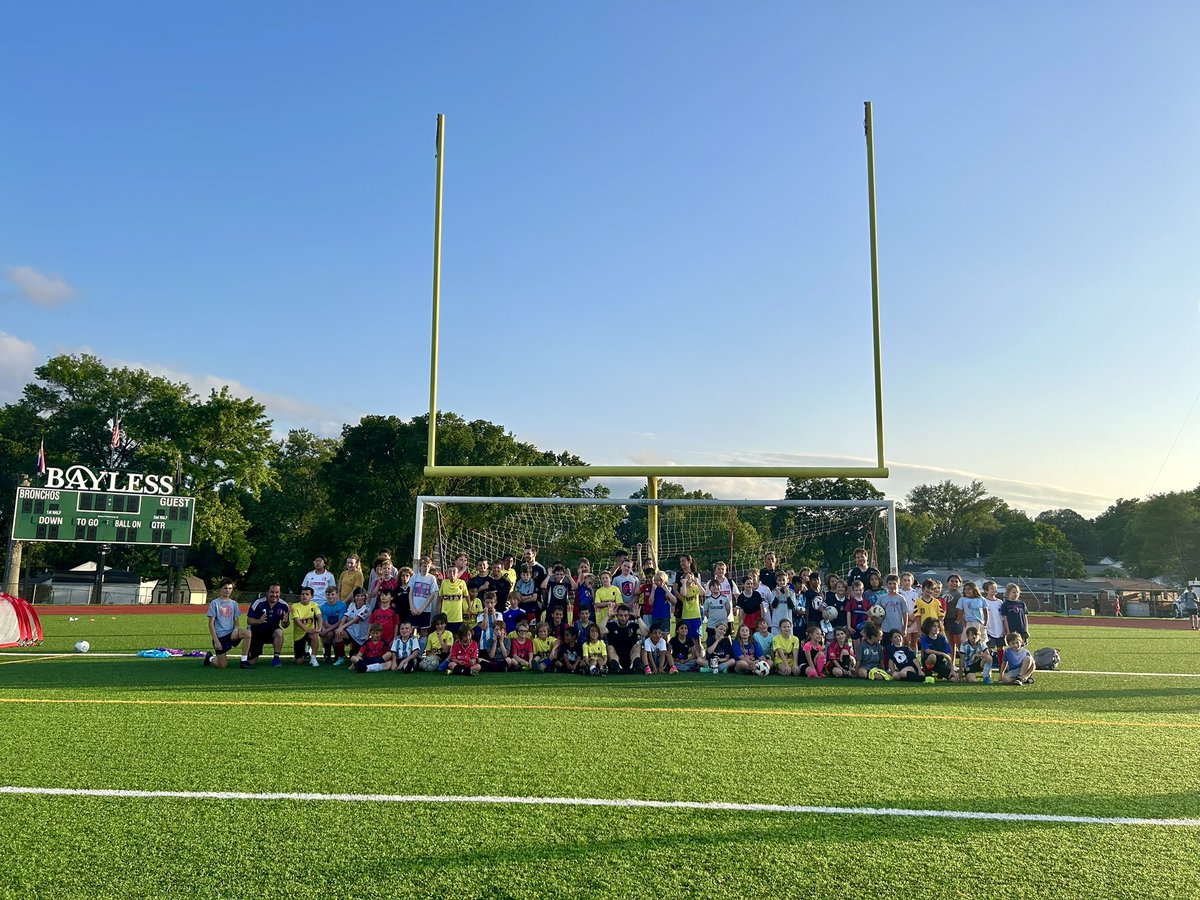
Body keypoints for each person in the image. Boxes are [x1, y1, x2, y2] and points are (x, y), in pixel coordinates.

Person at [204, 578, 249, 668]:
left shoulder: (234, 603)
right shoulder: (215, 603)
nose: (227, 590)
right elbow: (211, 624)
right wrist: (216, 641)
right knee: (222, 666)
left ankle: (244, 661)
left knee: (248, 633)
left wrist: (236, 630)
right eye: (225, 588)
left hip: (232, 634)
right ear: (220, 589)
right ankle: (210, 658)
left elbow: (236, 621)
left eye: (230, 588)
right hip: (221, 637)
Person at [244, 583, 289, 668]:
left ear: (280, 593)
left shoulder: (284, 605)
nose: (274, 595)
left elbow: (285, 625)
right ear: (267, 592)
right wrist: (259, 621)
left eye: (277, 592)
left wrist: (285, 622)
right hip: (257, 633)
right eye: (272, 592)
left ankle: (276, 658)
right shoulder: (258, 603)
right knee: (251, 661)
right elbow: (249, 620)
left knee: (279, 632)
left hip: (272, 632)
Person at [605, 605, 646, 675]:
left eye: (625, 615)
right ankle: (618, 668)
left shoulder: (633, 625)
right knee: (609, 647)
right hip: (616, 657)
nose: (623, 618)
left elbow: (645, 632)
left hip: (630, 656)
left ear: (629, 616)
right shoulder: (611, 625)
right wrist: (607, 616)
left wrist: (638, 617)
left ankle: (633, 666)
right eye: (621, 615)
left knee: (637, 646)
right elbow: (599, 630)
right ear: (617, 615)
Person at [335, 587, 371, 664]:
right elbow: (346, 615)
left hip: (363, 636)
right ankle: (340, 657)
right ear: (354, 597)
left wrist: (342, 627)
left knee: (361, 658)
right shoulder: (352, 604)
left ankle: (354, 651)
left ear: (365, 597)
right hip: (352, 632)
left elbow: (356, 619)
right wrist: (341, 625)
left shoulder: (367, 607)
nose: (360, 598)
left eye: (362, 596)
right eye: (358, 596)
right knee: (338, 634)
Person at [290, 586, 323, 667]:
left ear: (311, 596)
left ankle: (313, 658)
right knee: (299, 661)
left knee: (314, 635)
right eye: (303, 594)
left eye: (307, 594)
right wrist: (307, 630)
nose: (304, 596)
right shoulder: (295, 606)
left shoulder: (314, 605)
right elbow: (297, 621)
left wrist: (319, 628)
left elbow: (319, 616)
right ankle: (302, 654)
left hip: (310, 632)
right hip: (299, 635)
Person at [409, 557, 439, 635]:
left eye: (428, 566)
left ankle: (422, 647)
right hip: (414, 609)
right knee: (412, 630)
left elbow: (432, 595)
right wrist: (412, 607)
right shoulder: (414, 577)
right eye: (424, 566)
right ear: (420, 566)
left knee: (424, 631)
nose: (426, 568)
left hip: (425, 610)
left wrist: (422, 608)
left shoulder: (432, 578)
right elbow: (411, 593)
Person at [318, 584, 347, 665]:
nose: (330, 596)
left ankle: (338, 656)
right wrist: (328, 630)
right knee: (329, 634)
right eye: (328, 594)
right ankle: (327, 655)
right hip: (329, 627)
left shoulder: (342, 605)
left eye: (332, 594)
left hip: (339, 626)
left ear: (337, 594)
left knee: (337, 635)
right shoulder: (323, 607)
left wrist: (328, 630)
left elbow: (340, 621)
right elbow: (326, 623)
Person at [956, 580, 988, 646]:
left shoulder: (981, 599)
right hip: (969, 622)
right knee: (969, 641)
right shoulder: (962, 599)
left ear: (974, 590)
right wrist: (964, 624)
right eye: (965, 589)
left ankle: (980, 655)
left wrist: (985, 623)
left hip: (979, 623)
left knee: (981, 642)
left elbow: (985, 611)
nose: (967, 591)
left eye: (969, 589)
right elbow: (960, 613)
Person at [701, 578, 731, 644]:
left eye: (717, 585)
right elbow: (705, 612)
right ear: (710, 588)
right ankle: (710, 653)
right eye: (713, 586)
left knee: (724, 641)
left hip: (723, 624)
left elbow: (728, 610)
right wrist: (712, 617)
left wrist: (723, 617)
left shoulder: (724, 598)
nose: (716, 587)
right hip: (712, 625)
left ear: (720, 588)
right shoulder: (708, 600)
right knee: (711, 641)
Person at [982, 580, 1006, 662]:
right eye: (991, 588)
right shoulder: (984, 601)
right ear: (986, 590)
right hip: (989, 629)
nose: (994, 590)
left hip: (999, 629)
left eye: (995, 588)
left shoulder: (1000, 602)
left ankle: (1001, 665)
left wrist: (1004, 629)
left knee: (1000, 647)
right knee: (988, 648)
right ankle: (987, 665)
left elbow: (1002, 617)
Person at [941, 573, 964, 656]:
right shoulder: (944, 593)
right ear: (948, 582)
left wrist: (958, 620)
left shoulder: (959, 595)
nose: (954, 583)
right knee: (950, 643)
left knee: (959, 644)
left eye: (956, 582)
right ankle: (951, 664)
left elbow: (961, 609)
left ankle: (962, 664)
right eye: (952, 581)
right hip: (946, 620)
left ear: (960, 584)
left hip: (956, 621)